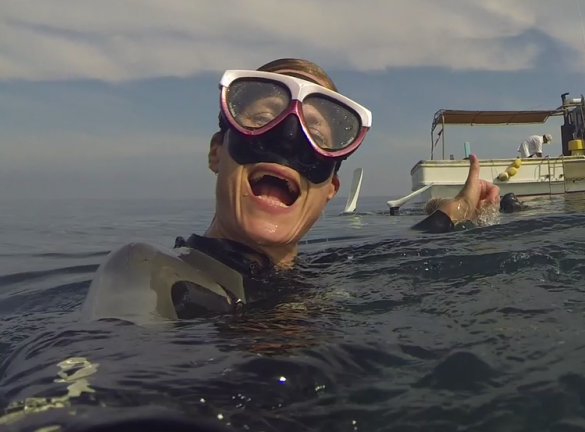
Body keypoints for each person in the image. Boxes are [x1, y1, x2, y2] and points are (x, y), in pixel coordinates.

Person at [80, 58, 500, 325]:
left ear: (330, 188)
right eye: (262, 117)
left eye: (316, 133)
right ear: (216, 153)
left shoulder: (330, 271)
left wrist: (460, 208)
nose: (286, 140)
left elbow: (410, 244)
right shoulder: (149, 273)